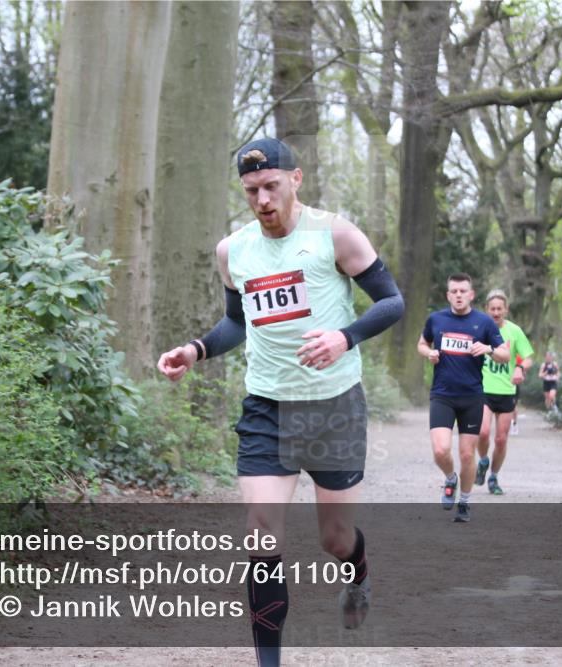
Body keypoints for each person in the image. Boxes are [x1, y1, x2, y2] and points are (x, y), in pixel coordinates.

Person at [157, 138, 404, 667]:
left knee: (335, 539)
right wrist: (196, 349)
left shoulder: (334, 234)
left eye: (271, 186)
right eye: (251, 190)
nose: (262, 199)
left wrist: (345, 336)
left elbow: (392, 301)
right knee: (261, 531)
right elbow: (235, 323)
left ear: (296, 179)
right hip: (268, 407)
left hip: (334, 406)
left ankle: (357, 573)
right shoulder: (234, 251)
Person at [417, 274, 508, 523]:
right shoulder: (436, 319)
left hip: (472, 397)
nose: (458, 295)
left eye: (463, 291)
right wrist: (430, 353)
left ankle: (465, 502)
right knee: (440, 449)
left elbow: (505, 354)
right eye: (454, 291)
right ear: (448, 295)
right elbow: (422, 343)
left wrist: (489, 349)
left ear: (471, 294)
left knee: (467, 455)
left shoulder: (484, 322)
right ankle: (449, 478)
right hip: (442, 395)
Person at [476, 290, 534, 496]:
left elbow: (528, 357)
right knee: (482, 432)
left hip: (507, 391)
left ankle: (493, 477)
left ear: (506, 310)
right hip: (483, 390)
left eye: (500, 308)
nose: (496, 312)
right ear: (486, 310)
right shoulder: (479, 329)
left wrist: (520, 368)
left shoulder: (514, 331)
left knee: (501, 439)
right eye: (492, 308)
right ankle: (483, 460)